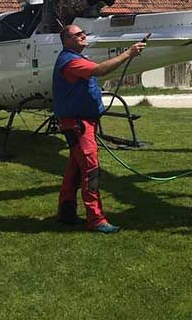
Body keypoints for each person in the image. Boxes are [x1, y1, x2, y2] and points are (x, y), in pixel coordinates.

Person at [53, 25, 145, 233]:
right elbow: (100, 70)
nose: (83, 35)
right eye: (77, 34)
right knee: (90, 170)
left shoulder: (76, 59)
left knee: (75, 170)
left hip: (80, 123)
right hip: (78, 124)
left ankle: (66, 213)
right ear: (66, 40)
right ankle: (96, 219)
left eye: (82, 32)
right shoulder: (72, 62)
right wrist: (129, 53)